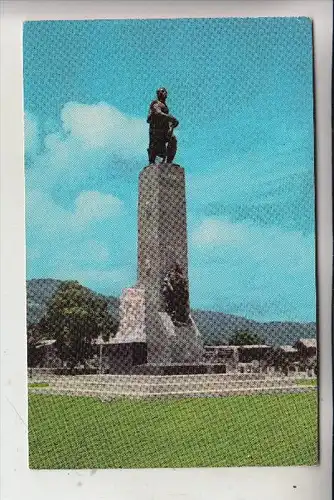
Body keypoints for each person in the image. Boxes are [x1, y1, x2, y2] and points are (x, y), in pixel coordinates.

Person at [147, 87, 179, 164]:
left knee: (173, 140)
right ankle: (153, 160)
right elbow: (158, 113)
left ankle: (168, 162)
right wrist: (170, 117)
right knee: (155, 149)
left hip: (164, 130)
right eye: (162, 92)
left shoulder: (165, 106)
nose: (164, 93)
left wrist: (172, 124)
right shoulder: (155, 103)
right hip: (156, 130)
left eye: (164, 92)